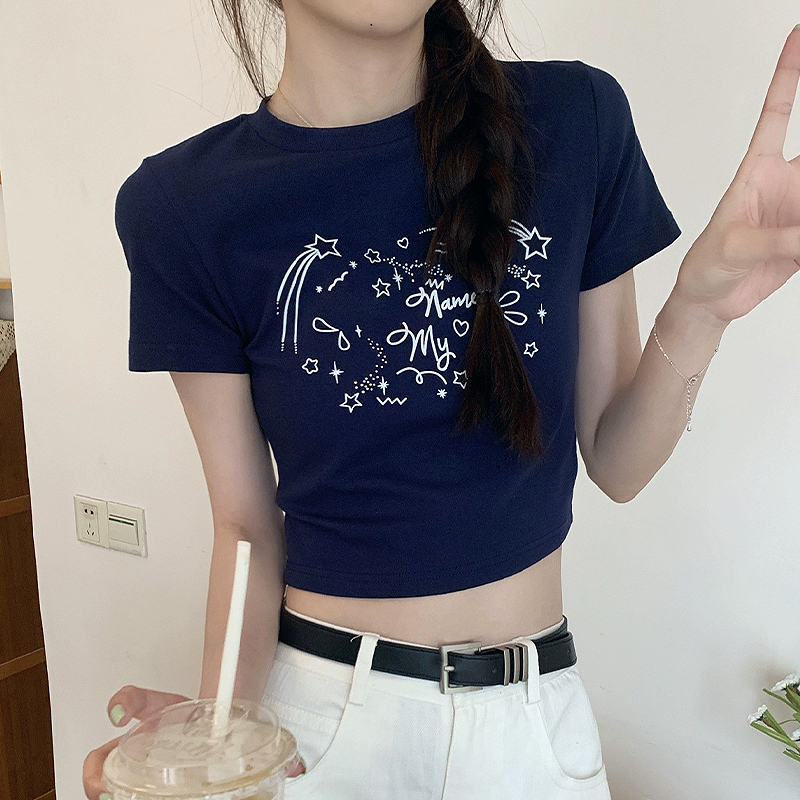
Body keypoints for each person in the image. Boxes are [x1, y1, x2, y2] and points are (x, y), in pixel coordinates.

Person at [82, 0, 800, 796]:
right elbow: (244, 526)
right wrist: (221, 737)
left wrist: (700, 309)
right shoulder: (184, 205)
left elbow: (617, 460)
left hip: (533, 725)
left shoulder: (574, 120)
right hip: (323, 728)